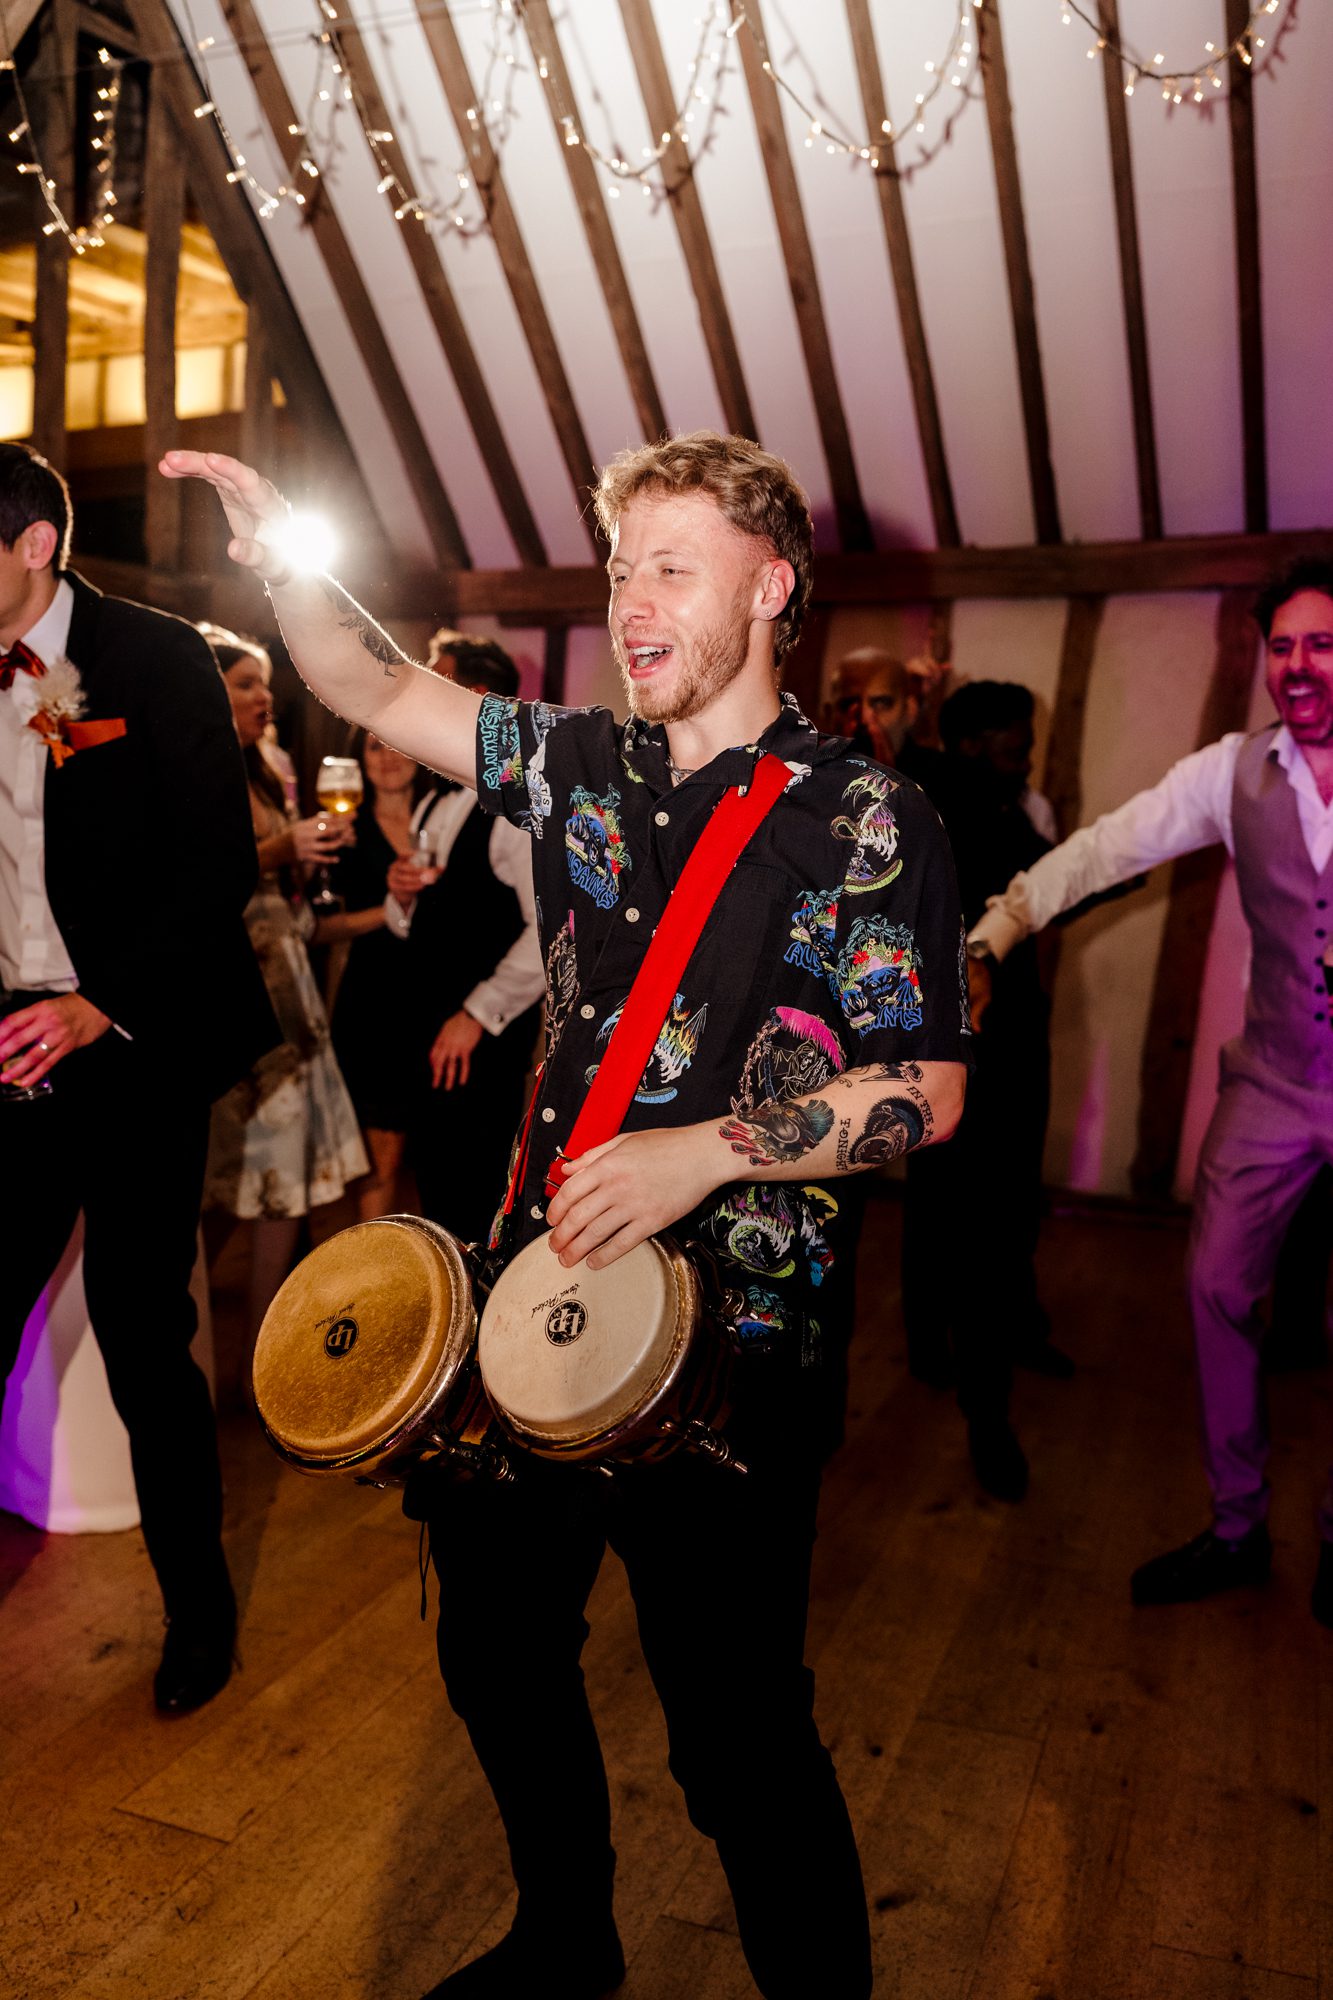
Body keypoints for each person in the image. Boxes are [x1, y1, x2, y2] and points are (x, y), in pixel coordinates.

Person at [162, 430, 970, 2000]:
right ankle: (565, 1938)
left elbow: (925, 1092)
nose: (632, 602)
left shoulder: (870, 819)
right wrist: (284, 561)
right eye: (619, 571)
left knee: (736, 1739)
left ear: (771, 588)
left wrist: (707, 1153)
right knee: (495, 1647)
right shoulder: (582, 761)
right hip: (533, 1297)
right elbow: (373, 681)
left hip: (735, 1342)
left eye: (671, 567)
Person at [966, 559, 1333, 1624]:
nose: (1298, 665)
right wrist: (997, 928)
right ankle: (1237, 1524)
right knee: (1215, 1283)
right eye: (1282, 646)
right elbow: (1104, 848)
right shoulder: (1232, 772)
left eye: (1322, 644)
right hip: (1273, 1081)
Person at [0, 444, 276, 1713]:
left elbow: (218, 861)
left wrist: (99, 1000)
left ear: (34, 546)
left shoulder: (154, 657)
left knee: (140, 1338)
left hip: (129, 1044)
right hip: (9, 1046)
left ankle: (199, 1614)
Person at [898, 682, 1071, 1502]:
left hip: (1017, 1034)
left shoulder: (1014, 807)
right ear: (970, 746)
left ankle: (979, 1341)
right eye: (1014, 744)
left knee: (998, 1208)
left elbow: (1050, 881)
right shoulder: (939, 808)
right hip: (955, 1042)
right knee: (959, 1216)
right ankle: (973, 1398)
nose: (1026, 757)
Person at [201, 628, 369, 1332]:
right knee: (221, 1181)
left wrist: (308, 862)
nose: (264, 697)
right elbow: (202, 876)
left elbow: (282, 893)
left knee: (286, 1181)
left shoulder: (265, 768)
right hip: (229, 986)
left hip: (286, 987)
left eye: (266, 684)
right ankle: (198, 1331)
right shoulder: (192, 767)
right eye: (246, 684)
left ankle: (261, 1350)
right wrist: (279, 848)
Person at [379, 631, 545, 1246]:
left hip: (480, 1041)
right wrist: (401, 897)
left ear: (472, 696)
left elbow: (549, 933)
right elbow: (414, 924)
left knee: (476, 1196)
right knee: (434, 1188)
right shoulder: (433, 804)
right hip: (426, 1030)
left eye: (435, 679)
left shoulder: (515, 809)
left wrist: (477, 1013)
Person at [328, 728, 437, 1220]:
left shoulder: (444, 815)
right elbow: (318, 927)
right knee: (381, 1157)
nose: (388, 756)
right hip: (374, 1005)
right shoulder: (343, 830)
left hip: (439, 1000)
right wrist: (391, 910)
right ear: (359, 760)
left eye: (394, 742)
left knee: (438, 1153)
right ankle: (371, 1259)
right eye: (374, 747)